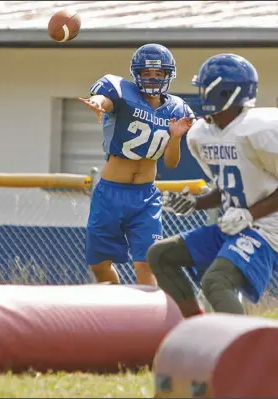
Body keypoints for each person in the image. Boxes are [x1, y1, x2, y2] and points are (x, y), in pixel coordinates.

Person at [147, 53, 278, 317]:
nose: (200, 94)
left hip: (268, 228)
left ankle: (242, 351)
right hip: (234, 223)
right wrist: (195, 203)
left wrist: (250, 214)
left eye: (205, 88)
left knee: (216, 282)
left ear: (225, 92)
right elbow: (227, 186)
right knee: (160, 255)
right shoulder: (203, 134)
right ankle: (195, 328)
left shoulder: (257, 129)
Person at [79, 43, 194, 286]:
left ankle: (149, 320)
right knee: (100, 265)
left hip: (145, 196)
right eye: (146, 73)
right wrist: (98, 103)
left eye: (158, 74)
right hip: (111, 192)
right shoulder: (120, 91)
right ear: (136, 74)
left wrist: (175, 137)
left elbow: (171, 163)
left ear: (168, 75)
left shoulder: (176, 109)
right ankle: (115, 312)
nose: (152, 79)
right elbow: (105, 99)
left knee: (147, 262)